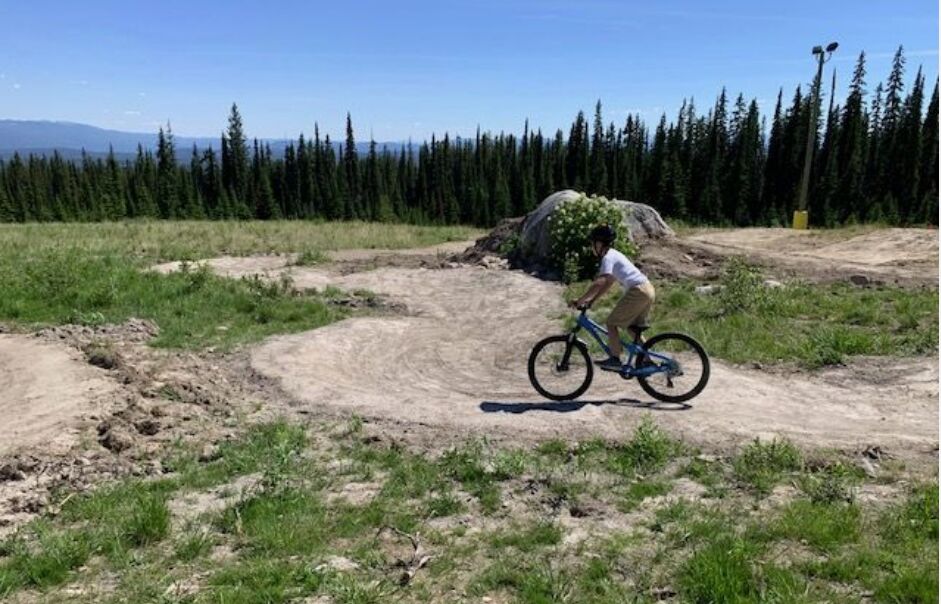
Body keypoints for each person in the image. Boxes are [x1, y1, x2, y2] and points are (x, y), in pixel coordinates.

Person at [569, 224, 655, 371]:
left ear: (599, 243)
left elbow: (599, 282)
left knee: (611, 323)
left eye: (593, 242)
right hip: (648, 289)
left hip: (638, 291)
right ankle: (648, 361)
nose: (592, 246)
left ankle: (615, 358)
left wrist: (580, 300)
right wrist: (592, 301)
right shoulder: (614, 254)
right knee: (632, 329)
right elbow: (608, 283)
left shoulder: (608, 257)